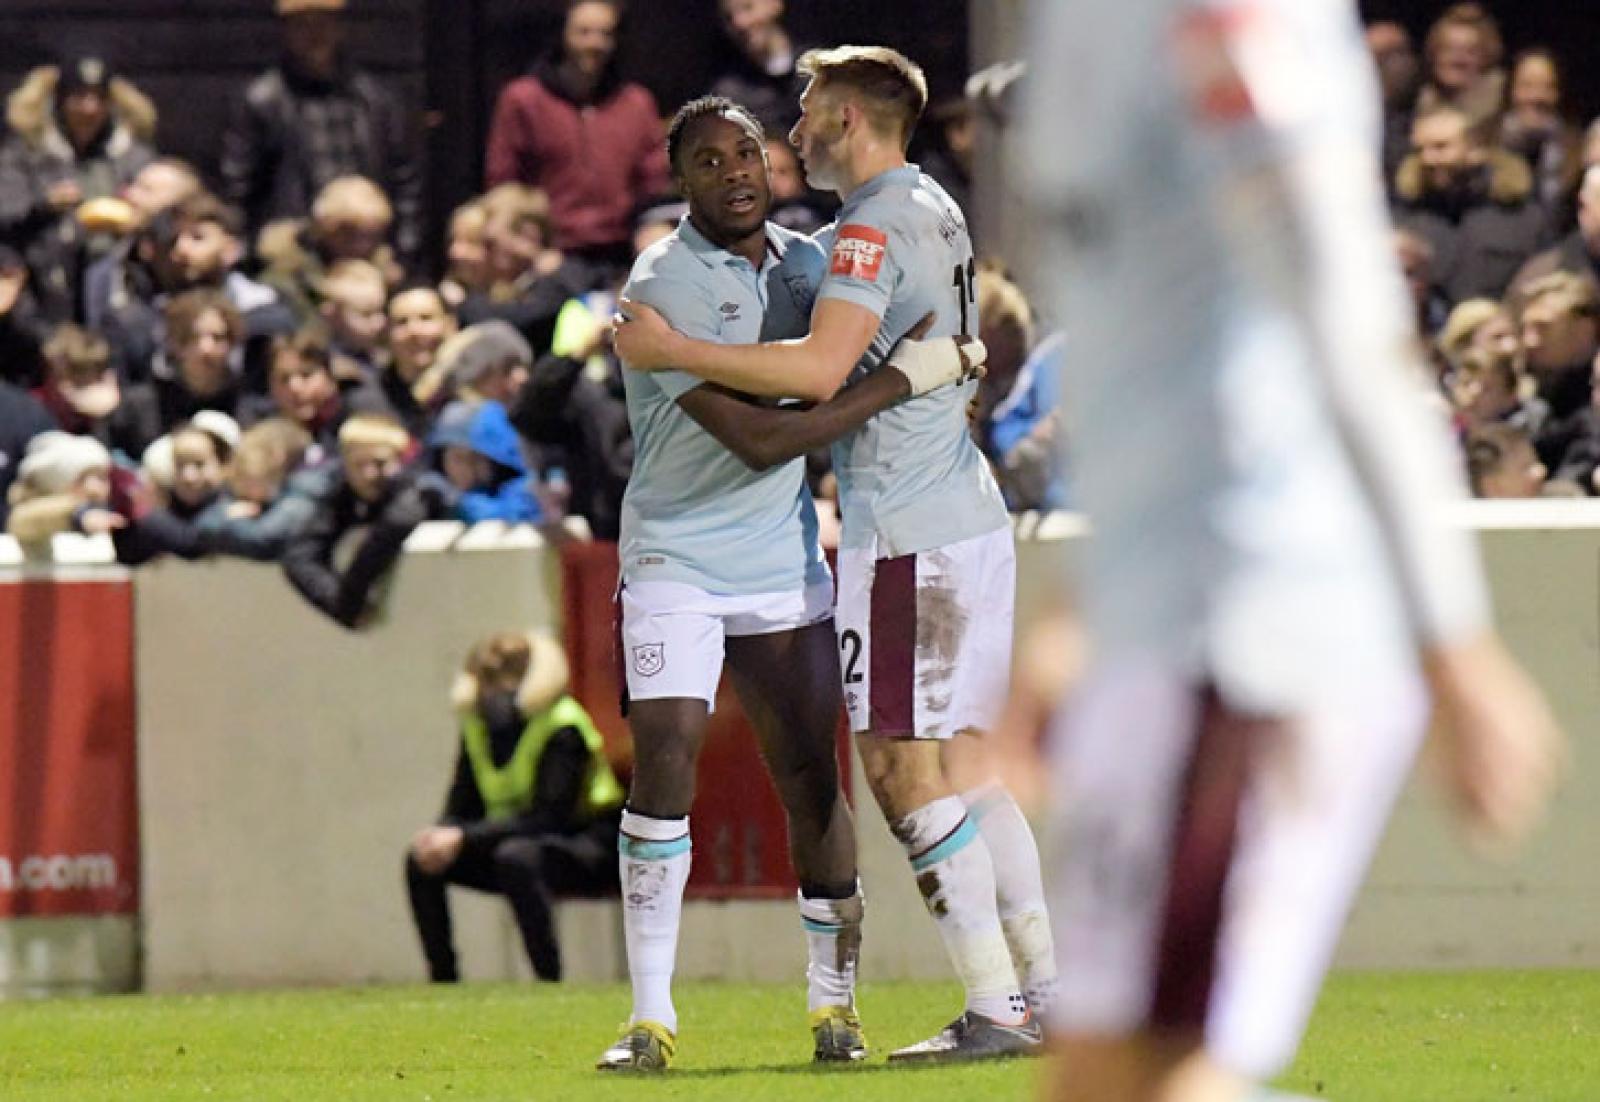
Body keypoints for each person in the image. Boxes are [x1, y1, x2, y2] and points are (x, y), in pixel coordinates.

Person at [1013, 2, 1563, 1100]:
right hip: (1164, 617)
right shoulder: (1081, 27)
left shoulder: (1228, 18)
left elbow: (1334, 304)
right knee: (1109, 1074)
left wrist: (1449, 644)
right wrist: (1086, 604)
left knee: (1153, 1074)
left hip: (1259, 621)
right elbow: (1164, 343)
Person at [614, 51, 1055, 1063]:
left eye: (804, 116)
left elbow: (815, 376)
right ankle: (1044, 989)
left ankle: (995, 1003)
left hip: (905, 529)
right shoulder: (932, 202)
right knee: (970, 766)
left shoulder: (856, 235)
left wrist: (672, 347)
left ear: (848, 118)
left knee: (899, 767)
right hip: (966, 514)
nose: (788, 137)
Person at [406, 631, 623, 983]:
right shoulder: (478, 728)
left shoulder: (562, 726)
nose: (493, 696)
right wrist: (443, 835)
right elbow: (462, 802)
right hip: (515, 840)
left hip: (588, 843)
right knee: (420, 860)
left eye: (502, 684)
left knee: (516, 857)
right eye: (487, 685)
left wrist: (464, 836)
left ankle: (548, 979)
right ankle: (442, 980)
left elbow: (550, 817)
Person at [221, 0, 422, 266]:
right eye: (302, 25)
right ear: (286, 31)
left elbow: (404, 179)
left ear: (339, 28)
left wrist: (404, 251)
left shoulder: (375, 99)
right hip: (295, 254)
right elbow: (238, 186)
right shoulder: (262, 100)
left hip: (368, 248)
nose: (315, 34)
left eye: (323, 22)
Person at [484, 0, 671, 281]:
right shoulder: (523, 99)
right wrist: (529, 248)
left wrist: (653, 230)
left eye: (604, 34)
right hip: (549, 257)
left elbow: (654, 184)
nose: (594, 44)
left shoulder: (636, 102)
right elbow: (503, 183)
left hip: (622, 254)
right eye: (583, 32)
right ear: (562, 34)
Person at [0, 58, 156, 323]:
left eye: (98, 98)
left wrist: (139, 217)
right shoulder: (24, 155)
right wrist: (44, 206)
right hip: (41, 282)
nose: (89, 109)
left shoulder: (132, 155)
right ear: (59, 101)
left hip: (118, 277)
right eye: (79, 97)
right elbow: (6, 214)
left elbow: (163, 206)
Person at [281, 413, 455, 629]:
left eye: (379, 463)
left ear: (401, 460)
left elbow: (396, 525)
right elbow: (300, 555)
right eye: (358, 465)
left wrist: (350, 599)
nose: (369, 474)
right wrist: (338, 602)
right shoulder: (340, 496)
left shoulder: (421, 490)